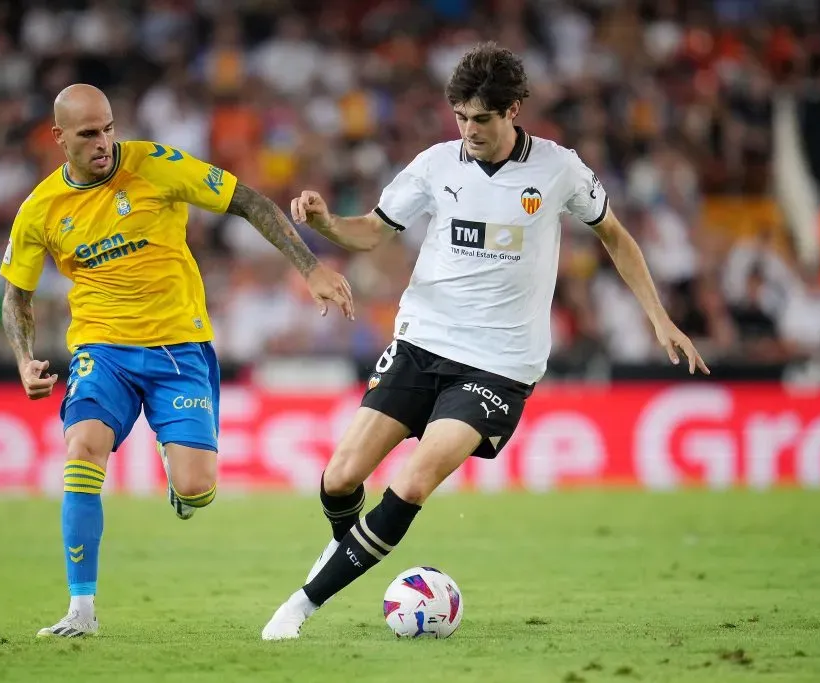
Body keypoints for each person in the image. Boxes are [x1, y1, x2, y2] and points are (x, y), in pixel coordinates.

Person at [260, 42, 708, 640]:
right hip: (423, 341)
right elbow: (371, 232)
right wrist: (325, 224)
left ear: (513, 110)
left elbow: (616, 237)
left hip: (498, 365)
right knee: (339, 478)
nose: (468, 130)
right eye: (460, 117)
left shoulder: (558, 169)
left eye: (481, 118)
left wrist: (658, 317)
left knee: (412, 482)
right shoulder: (436, 165)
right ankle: (347, 555)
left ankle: (300, 606)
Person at [0, 83, 354, 638]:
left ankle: (179, 479)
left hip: (178, 348)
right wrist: (23, 359)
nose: (103, 142)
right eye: (88, 134)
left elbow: (248, 201)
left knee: (196, 488)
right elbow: (15, 297)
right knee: (83, 447)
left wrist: (310, 268)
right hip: (101, 349)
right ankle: (81, 609)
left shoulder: (156, 165)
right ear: (59, 137)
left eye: (108, 128)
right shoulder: (39, 210)